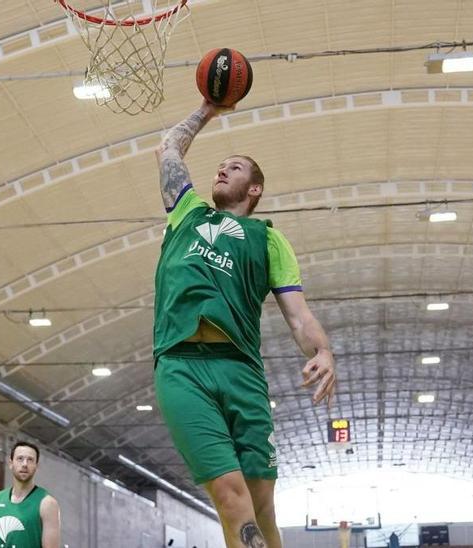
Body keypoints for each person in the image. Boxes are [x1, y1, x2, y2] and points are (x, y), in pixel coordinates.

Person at [153, 102, 337, 548]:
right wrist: (205, 110)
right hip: (182, 367)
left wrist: (323, 352)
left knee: (262, 506)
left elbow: (298, 316)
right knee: (231, 496)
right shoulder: (186, 214)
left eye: (233, 168)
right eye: (219, 166)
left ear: (254, 189)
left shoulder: (269, 240)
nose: (221, 170)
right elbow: (168, 148)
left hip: (242, 371)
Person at [0, 442, 61, 548]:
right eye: (20, 459)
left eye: (30, 460)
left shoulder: (47, 503)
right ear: (11, 463)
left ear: (36, 466)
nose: (24, 464)